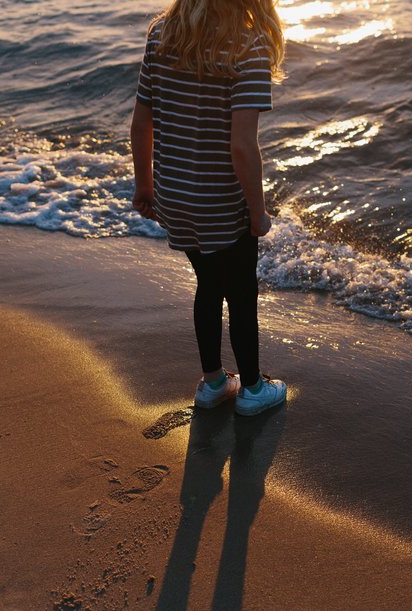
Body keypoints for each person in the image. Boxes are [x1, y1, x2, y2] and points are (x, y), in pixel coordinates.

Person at [130, 0, 287, 416]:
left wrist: (145, 185)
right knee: (241, 293)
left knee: (208, 285)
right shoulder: (247, 46)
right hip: (220, 200)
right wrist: (258, 210)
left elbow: (141, 121)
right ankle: (252, 389)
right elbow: (242, 146)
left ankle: (214, 382)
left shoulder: (163, 35)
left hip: (175, 196)